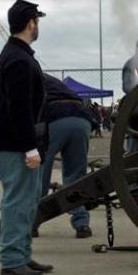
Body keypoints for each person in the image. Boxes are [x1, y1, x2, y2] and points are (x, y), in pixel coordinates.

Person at [0, 0, 51, 275]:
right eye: (37, 21)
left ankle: (23, 255)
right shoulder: (18, 59)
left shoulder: (18, 55)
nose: (38, 25)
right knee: (17, 201)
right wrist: (29, 147)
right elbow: (19, 107)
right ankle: (12, 260)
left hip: (19, 141)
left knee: (27, 201)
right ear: (30, 23)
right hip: (16, 144)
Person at [35, 74, 97, 239]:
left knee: (41, 171)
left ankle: (32, 221)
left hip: (55, 117)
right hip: (82, 119)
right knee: (76, 174)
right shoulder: (53, 81)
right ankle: (82, 223)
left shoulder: (26, 77)